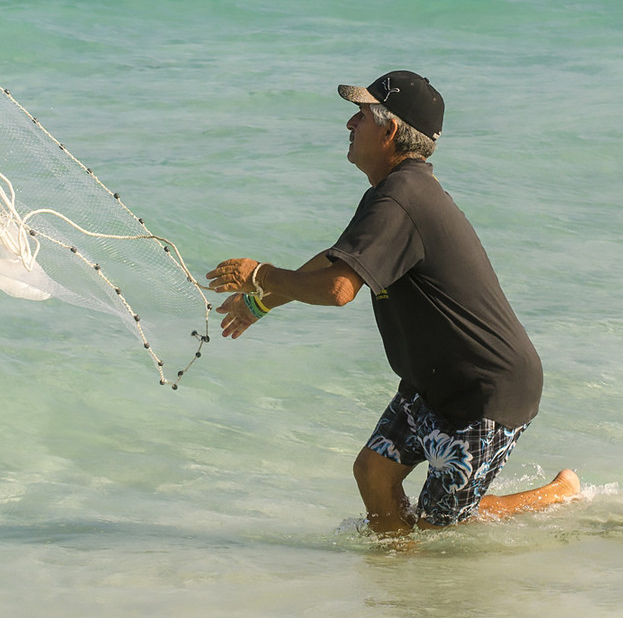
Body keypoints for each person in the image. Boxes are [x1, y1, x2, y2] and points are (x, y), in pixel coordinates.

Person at [207, 70, 580, 535]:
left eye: (360, 115)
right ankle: (393, 576)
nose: (349, 124)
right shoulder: (392, 192)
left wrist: (259, 274)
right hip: (435, 382)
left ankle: (555, 496)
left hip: (483, 393)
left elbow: (338, 290)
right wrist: (263, 301)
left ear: (390, 130)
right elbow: (337, 261)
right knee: (373, 473)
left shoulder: (401, 197)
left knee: (440, 528)